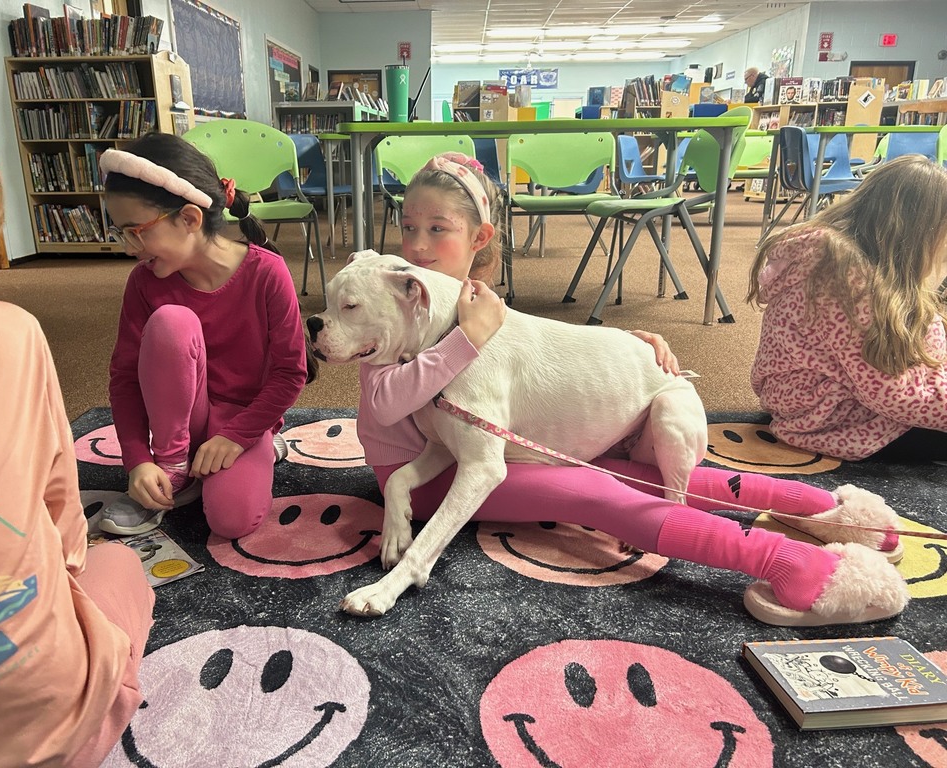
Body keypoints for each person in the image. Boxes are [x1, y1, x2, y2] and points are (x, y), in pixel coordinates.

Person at [352, 151, 909, 626]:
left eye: (437, 229)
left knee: (654, 476)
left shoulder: (481, 306)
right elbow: (387, 401)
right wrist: (467, 340)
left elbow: (548, 351)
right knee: (606, 496)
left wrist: (628, 345)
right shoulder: (392, 302)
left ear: (480, 238)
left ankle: (829, 510)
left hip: (498, 450)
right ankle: (793, 565)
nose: (418, 245)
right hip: (433, 474)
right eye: (407, 227)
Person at [0, 76, 154, 767]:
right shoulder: (11, 334)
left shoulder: (254, 275)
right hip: (47, 729)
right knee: (121, 568)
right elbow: (64, 526)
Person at [98, 132, 313, 539]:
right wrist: (137, 461)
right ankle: (174, 468)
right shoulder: (144, 283)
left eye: (136, 231)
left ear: (190, 219)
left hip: (240, 420)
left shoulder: (266, 273)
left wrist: (239, 436)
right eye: (120, 233)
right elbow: (125, 377)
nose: (128, 247)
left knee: (232, 521)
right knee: (171, 324)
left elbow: (289, 373)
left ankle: (261, 445)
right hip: (174, 429)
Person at [748, 155, 947, 463]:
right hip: (825, 418)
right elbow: (894, 395)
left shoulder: (841, 259)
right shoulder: (848, 280)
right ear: (918, 233)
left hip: (811, 399)